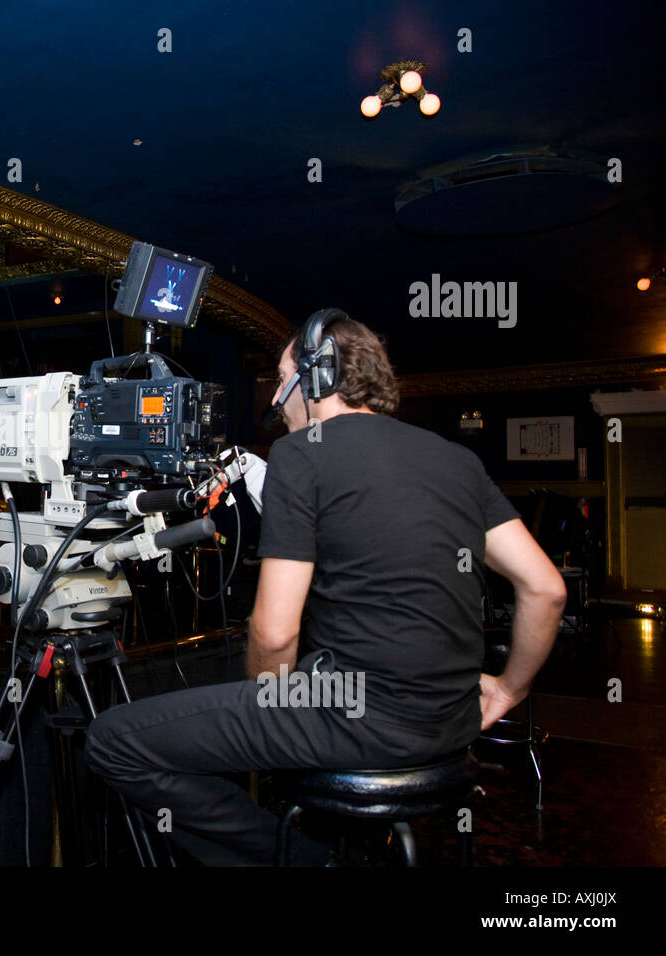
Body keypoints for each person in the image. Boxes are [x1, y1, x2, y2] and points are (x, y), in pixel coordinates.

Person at [85, 310, 567, 865]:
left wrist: (266, 709)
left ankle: (308, 861)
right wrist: (508, 690)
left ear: (315, 378)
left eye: (283, 379)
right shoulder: (456, 460)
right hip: (452, 723)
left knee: (114, 742)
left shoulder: (300, 453)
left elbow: (273, 629)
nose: (277, 400)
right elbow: (545, 588)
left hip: (361, 721)